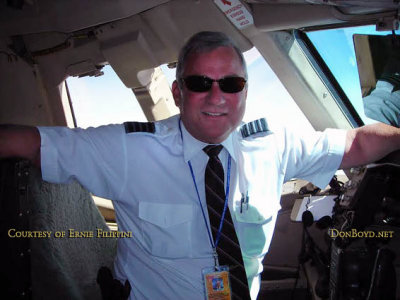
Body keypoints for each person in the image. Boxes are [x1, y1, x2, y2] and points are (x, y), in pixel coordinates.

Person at [1, 31, 400, 300]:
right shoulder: (128, 150)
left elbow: (356, 144)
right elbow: (27, 141)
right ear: (178, 92)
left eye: (230, 84)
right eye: (199, 83)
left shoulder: (274, 143)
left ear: (244, 92)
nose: (216, 96)